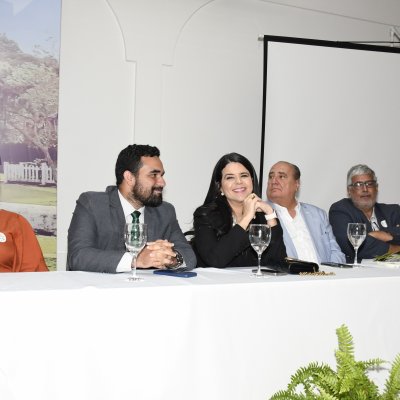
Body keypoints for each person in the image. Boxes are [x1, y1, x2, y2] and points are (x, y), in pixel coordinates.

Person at [67, 144, 196, 273]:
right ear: (129, 177)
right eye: (153, 175)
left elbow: (189, 256)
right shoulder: (92, 204)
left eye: (161, 175)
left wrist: (171, 259)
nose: (162, 182)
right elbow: (79, 256)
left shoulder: (165, 211)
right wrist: (136, 259)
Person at [193, 152, 286, 268]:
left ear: (252, 180)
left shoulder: (263, 215)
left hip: (256, 284)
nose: (239, 182)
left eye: (244, 175)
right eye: (230, 177)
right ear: (220, 186)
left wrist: (270, 215)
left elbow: (279, 262)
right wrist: (246, 218)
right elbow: (216, 260)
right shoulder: (205, 215)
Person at [266, 161, 345, 264]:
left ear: (296, 184)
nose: (274, 181)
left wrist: (329, 275)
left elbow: (336, 252)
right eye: (271, 177)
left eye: (281, 176)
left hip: (323, 276)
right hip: (288, 277)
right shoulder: (261, 214)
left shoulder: (318, 214)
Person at [329, 164, 400, 263]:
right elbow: (353, 247)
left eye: (369, 184)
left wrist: (386, 235)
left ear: (376, 188)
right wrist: (397, 247)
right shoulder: (340, 210)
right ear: (349, 190)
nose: (365, 189)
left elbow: (359, 240)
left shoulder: (393, 210)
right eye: (358, 184)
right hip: (360, 274)